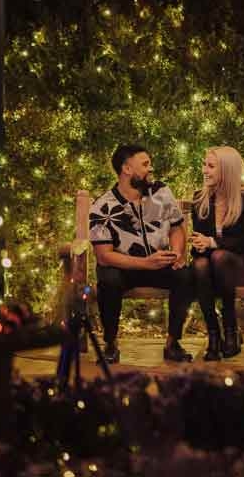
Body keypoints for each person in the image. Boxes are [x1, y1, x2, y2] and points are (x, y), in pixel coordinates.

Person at [89, 144, 194, 363]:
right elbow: (104, 256)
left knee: (185, 275)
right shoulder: (103, 206)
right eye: (145, 164)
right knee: (108, 280)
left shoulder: (161, 192)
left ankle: (173, 343)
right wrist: (145, 263)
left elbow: (176, 228)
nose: (150, 168)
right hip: (123, 267)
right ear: (127, 169)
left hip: (158, 262)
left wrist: (176, 253)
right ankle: (110, 344)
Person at [190, 146, 244, 360]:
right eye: (204, 165)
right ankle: (213, 333)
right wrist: (200, 244)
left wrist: (212, 242)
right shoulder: (200, 198)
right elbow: (199, 242)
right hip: (212, 268)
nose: (204, 170)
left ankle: (230, 327)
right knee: (200, 264)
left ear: (227, 170)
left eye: (211, 166)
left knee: (219, 257)